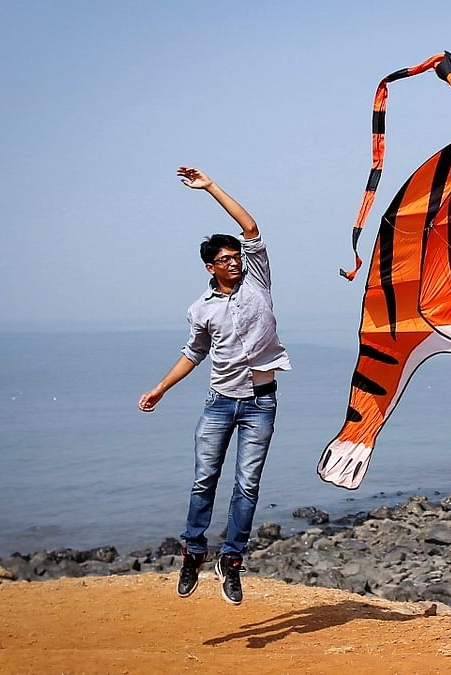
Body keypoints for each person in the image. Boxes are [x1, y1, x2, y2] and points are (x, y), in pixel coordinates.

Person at [138, 166, 291, 605]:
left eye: (237, 256)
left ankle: (233, 561)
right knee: (204, 480)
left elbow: (251, 227)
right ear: (211, 267)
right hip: (221, 403)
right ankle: (192, 553)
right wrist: (161, 388)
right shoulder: (200, 309)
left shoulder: (258, 281)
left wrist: (210, 188)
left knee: (247, 485)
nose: (235, 262)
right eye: (226, 259)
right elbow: (193, 353)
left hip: (261, 403)